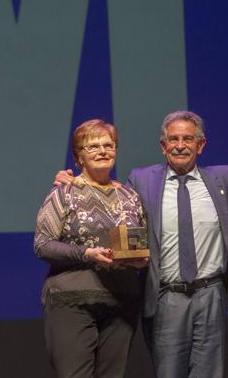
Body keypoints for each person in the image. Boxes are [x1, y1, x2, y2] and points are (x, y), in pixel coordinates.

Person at [54, 110, 228, 378]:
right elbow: (109, 196)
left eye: (188, 138)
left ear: (201, 145)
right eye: (173, 139)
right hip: (167, 294)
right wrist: (75, 180)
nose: (180, 145)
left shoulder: (223, 177)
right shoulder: (141, 180)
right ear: (163, 146)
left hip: (210, 293)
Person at [34, 119, 147, 378]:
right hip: (72, 300)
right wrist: (85, 254)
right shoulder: (63, 193)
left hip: (122, 300)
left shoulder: (130, 196)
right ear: (78, 157)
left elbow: (138, 245)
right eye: (92, 146)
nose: (102, 151)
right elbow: (42, 245)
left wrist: (139, 260)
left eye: (108, 145)